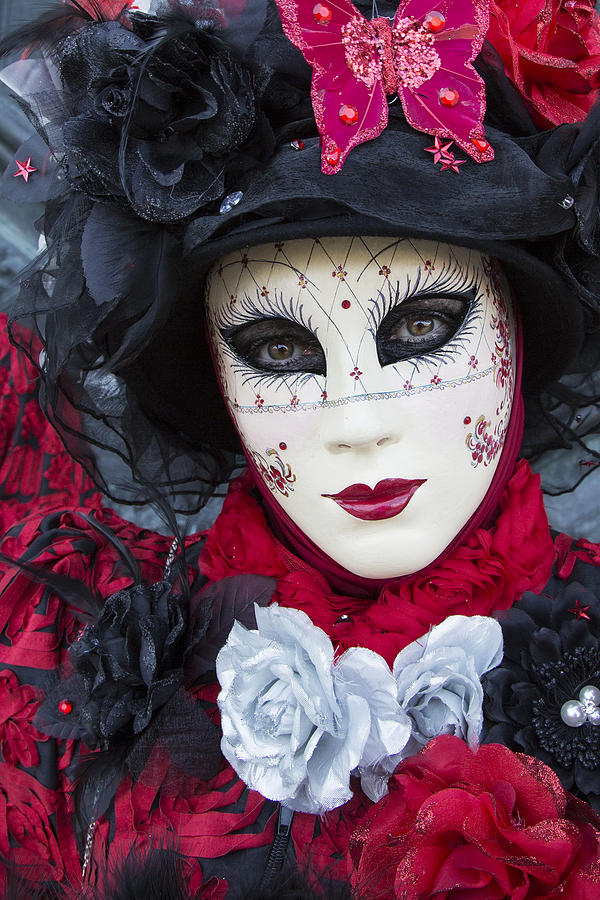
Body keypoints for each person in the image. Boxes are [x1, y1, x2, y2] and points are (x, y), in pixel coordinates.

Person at [0, 0, 599, 896]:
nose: (356, 422)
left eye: (425, 327)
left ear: (518, 328)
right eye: (278, 350)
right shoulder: (81, 673)